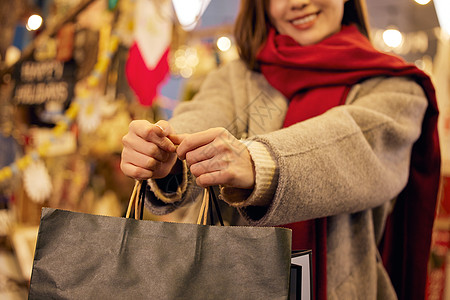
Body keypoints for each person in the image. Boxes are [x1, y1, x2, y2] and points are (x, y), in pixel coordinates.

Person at [120, 0, 441, 299]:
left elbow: (350, 147)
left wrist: (256, 163)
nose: (297, 2)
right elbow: (203, 119)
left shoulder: (395, 88)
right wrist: (168, 152)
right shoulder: (238, 77)